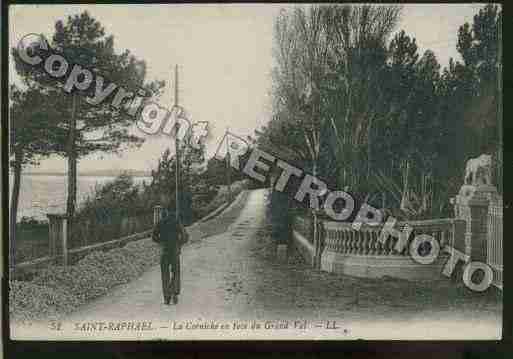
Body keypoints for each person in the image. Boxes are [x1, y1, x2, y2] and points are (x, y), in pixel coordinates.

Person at [152, 197, 189, 305]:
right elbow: (185, 236)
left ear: (166, 211)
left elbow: (154, 237)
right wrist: (179, 243)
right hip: (174, 251)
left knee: (165, 274)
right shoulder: (176, 222)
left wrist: (161, 242)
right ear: (173, 212)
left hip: (164, 251)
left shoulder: (160, 222)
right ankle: (174, 292)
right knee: (176, 272)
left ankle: (167, 297)